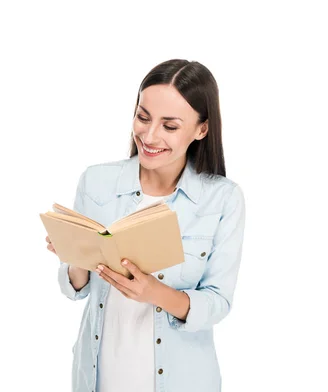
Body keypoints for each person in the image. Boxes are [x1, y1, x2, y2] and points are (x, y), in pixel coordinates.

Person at [45, 59, 246, 392]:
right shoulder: (96, 182)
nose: (149, 135)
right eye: (143, 117)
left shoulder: (222, 200)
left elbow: (218, 303)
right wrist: (76, 257)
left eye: (170, 126)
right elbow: (75, 288)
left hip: (182, 380)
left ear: (201, 129)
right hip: (98, 375)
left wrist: (156, 293)